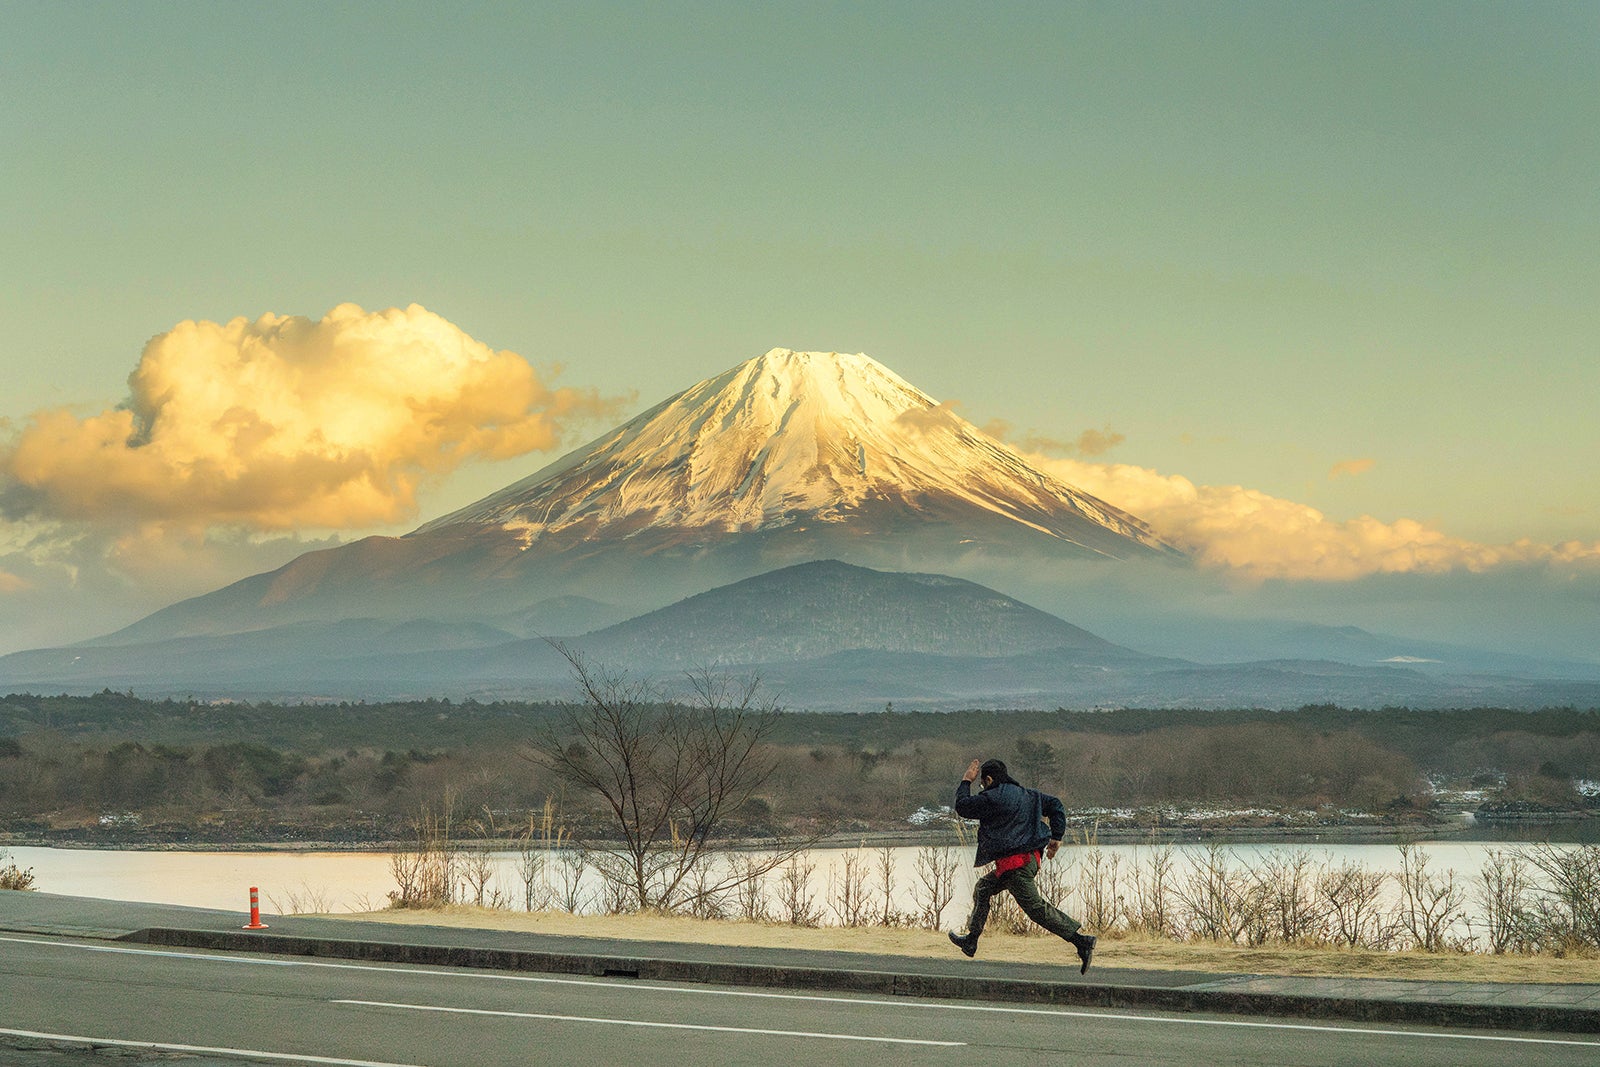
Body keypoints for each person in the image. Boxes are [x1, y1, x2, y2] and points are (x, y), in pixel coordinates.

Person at [947, 757, 1096, 973]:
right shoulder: (1031, 796)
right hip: (1024, 862)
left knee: (1035, 908)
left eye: (982, 783)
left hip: (1017, 866)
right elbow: (1056, 805)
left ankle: (1081, 941)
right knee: (983, 889)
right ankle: (971, 940)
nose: (983, 787)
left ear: (988, 779)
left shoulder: (993, 798)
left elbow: (962, 806)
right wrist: (1057, 836)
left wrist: (965, 781)